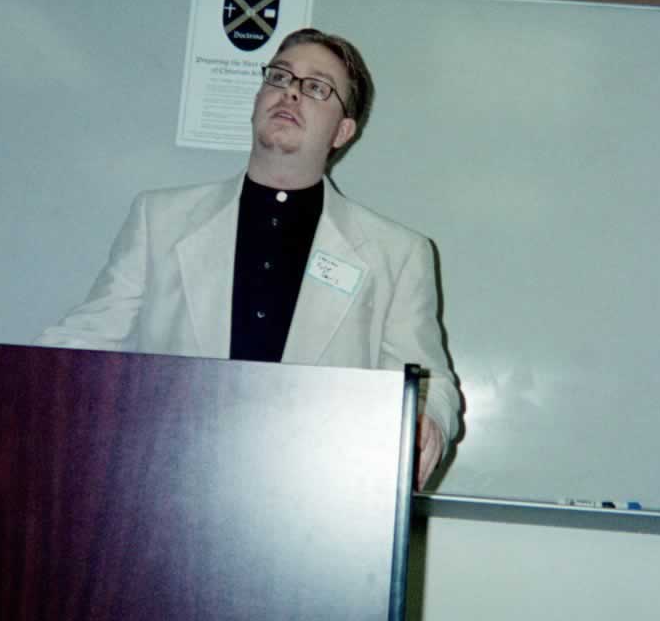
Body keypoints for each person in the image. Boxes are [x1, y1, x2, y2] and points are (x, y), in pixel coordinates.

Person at [39, 27, 461, 487]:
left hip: (316, 499)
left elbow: (430, 382)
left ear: (342, 130)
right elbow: (82, 344)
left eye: (317, 87)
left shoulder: (396, 254)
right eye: (279, 77)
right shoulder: (159, 219)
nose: (291, 93)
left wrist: (430, 421)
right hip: (161, 485)